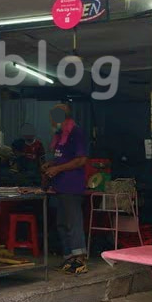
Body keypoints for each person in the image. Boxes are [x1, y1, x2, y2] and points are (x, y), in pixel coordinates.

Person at [43, 103, 89, 275]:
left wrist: (58, 169)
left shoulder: (76, 133)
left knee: (73, 222)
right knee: (62, 223)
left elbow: (81, 160)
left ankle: (80, 259)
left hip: (71, 186)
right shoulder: (60, 135)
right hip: (59, 186)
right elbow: (63, 159)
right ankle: (68, 257)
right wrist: (52, 164)